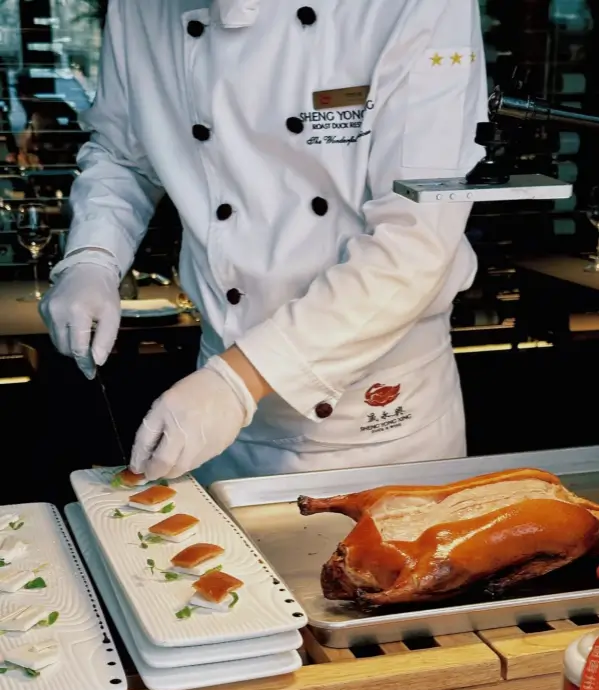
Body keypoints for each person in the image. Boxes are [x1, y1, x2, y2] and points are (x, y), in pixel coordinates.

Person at [40, 0, 488, 488]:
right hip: (214, 415)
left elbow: (415, 238)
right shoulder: (144, 7)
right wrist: (92, 255)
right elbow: (122, 154)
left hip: (382, 423)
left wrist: (238, 382)